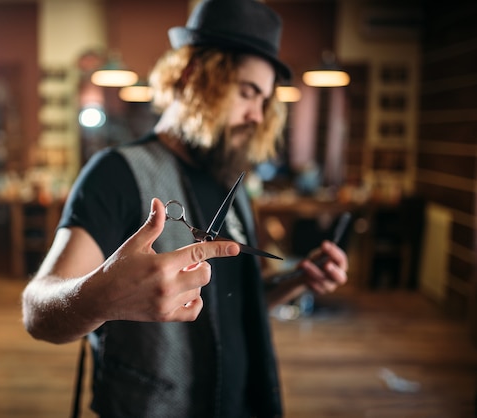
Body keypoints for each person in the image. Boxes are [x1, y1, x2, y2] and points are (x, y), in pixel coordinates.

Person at [21, 0, 348, 416]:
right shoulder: (116, 173)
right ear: (194, 76)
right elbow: (38, 311)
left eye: (265, 100)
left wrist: (298, 280)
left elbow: (231, 304)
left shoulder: (228, 178)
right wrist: (101, 297)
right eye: (248, 92)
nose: (255, 114)